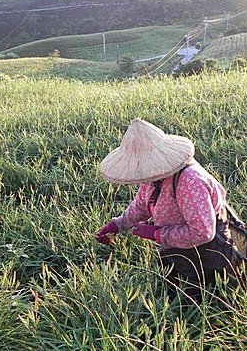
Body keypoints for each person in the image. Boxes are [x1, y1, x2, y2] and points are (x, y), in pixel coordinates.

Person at [96, 118, 236, 297]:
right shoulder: (153, 177)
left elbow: (203, 232)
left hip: (206, 253)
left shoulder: (190, 181)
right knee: (170, 291)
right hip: (176, 246)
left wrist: (157, 234)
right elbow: (141, 205)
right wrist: (118, 225)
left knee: (198, 301)